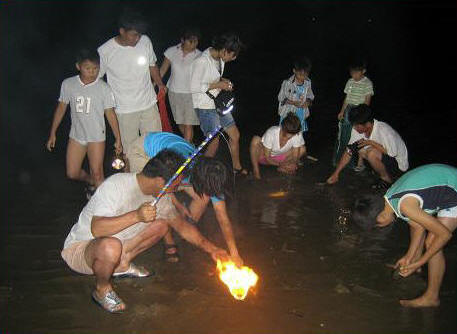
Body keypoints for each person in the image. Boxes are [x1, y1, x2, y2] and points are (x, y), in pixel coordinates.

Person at [61, 150, 229, 313]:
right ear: (160, 181)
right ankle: (102, 290)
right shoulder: (116, 185)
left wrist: (213, 249)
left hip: (117, 245)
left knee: (162, 225)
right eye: (176, 184)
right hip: (82, 249)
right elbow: (97, 229)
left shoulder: (161, 196)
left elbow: (182, 226)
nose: (177, 188)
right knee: (110, 247)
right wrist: (137, 216)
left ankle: (122, 264)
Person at [127, 132, 243, 265]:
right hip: (144, 151)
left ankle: (187, 228)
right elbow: (164, 186)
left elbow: (222, 217)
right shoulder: (180, 164)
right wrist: (178, 205)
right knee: (162, 203)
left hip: (175, 171)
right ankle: (169, 241)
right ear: (199, 181)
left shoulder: (212, 175)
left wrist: (235, 253)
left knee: (203, 197)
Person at [352, 164, 457, 308]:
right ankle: (415, 266)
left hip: (454, 190)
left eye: (376, 225)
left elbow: (445, 235)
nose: (379, 227)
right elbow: (417, 226)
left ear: (381, 217)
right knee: (427, 236)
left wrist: (421, 261)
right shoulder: (389, 197)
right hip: (448, 182)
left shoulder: (405, 206)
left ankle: (432, 297)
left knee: (433, 242)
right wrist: (409, 257)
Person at [46, 49, 122, 197]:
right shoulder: (68, 84)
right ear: (78, 66)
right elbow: (61, 107)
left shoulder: (103, 88)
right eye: (88, 68)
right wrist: (52, 133)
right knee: (72, 173)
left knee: (98, 173)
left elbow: (110, 113)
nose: (92, 72)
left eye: (95, 69)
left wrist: (118, 138)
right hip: (77, 135)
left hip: (96, 136)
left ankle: (104, 207)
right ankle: (90, 181)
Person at [98, 10, 166, 160]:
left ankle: (155, 180)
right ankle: (132, 181)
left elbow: (152, 65)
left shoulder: (145, 41)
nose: (137, 39)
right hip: (124, 110)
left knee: (155, 146)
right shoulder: (105, 51)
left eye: (139, 35)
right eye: (134, 35)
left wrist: (160, 84)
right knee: (130, 152)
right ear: (122, 31)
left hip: (148, 103)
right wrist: (107, 102)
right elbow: (98, 79)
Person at [190, 33, 247, 175]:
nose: (233, 58)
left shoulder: (220, 59)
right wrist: (219, 85)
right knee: (213, 142)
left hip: (218, 103)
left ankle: (236, 168)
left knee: (235, 135)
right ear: (224, 50)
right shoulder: (201, 61)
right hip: (205, 107)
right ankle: (200, 174)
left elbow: (214, 77)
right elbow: (194, 87)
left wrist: (224, 81)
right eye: (232, 55)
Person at [326, 104, 408, 188]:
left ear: (368, 124)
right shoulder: (357, 129)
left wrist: (371, 142)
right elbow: (349, 150)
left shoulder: (384, 131)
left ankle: (387, 180)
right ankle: (377, 170)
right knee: (358, 148)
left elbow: (392, 153)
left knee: (371, 152)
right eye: (353, 125)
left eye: (357, 126)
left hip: (398, 166)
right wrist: (336, 174)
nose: (354, 128)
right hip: (384, 159)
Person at [160, 28, 202, 142]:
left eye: (196, 41)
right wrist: (156, 84)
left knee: (189, 124)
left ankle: (187, 155)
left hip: (191, 94)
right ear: (182, 40)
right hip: (174, 92)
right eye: (191, 41)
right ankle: (190, 146)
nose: (194, 44)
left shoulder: (200, 56)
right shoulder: (172, 51)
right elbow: (163, 69)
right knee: (180, 123)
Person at [333, 59, 374, 169]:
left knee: (358, 135)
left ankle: (359, 162)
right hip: (349, 109)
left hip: (359, 110)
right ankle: (339, 160)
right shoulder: (350, 81)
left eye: (356, 72)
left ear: (363, 71)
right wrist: (342, 111)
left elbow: (367, 100)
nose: (354, 75)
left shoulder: (367, 83)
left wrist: (363, 116)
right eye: (352, 72)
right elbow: (347, 98)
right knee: (344, 135)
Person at [249, 113, 305, 180]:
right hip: (264, 158)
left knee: (302, 149)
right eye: (286, 135)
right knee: (256, 140)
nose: (288, 138)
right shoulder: (272, 132)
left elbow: (295, 156)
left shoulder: (297, 134)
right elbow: (268, 158)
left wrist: (293, 163)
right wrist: (281, 164)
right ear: (282, 128)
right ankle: (256, 171)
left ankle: (283, 168)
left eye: (292, 136)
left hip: (282, 158)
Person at [277, 57, 315, 135]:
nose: (303, 77)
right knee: (285, 134)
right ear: (294, 71)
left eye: (306, 74)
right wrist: (293, 102)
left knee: (298, 135)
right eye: (300, 74)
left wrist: (308, 102)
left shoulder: (308, 82)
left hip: (301, 113)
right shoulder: (287, 83)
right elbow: (280, 98)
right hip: (287, 114)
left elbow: (310, 96)